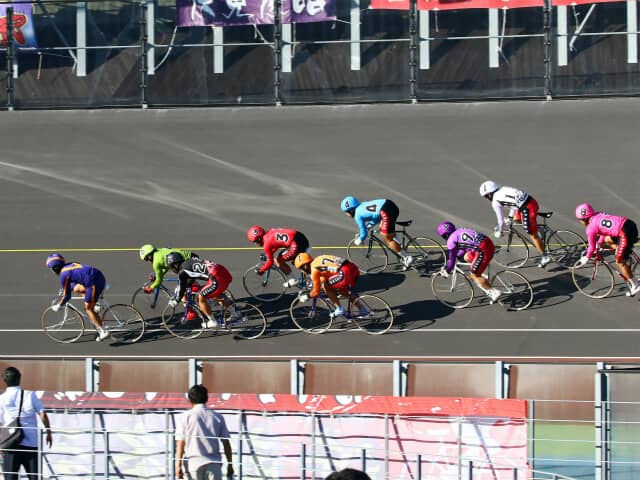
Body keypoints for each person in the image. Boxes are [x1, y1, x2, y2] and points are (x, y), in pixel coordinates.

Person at [479, 181, 551, 268]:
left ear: (490, 194)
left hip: (527, 208)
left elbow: (501, 222)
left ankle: (545, 257)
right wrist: (510, 217)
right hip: (530, 202)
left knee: (532, 234)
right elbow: (513, 204)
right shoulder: (503, 189)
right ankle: (536, 228)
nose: (487, 198)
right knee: (516, 219)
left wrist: (500, 232)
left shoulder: (495, 202)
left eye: (486, 196)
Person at [575, 203, 640, 296]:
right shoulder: (599, 214)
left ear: (583, 219)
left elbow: (591, 247)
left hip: (625, 233)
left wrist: (586, 257)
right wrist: (599, 243)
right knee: (607, 239)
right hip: (628, 224)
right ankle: (624, 253)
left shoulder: (590, 228)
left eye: (579, 219)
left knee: (619, 262)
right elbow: (604, 231)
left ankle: (635, 285)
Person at [0, 367, 52, 480]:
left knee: (10, 477)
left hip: (10, 444)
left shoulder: (1, 399)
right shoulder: (30, 395)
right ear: (19, 379)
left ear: (4, 380)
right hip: (31, 444)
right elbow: (43, 414)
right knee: (34, 477)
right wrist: (49, 432)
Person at [45, 253, 110, 342]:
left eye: (51, 269)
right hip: (97, 276)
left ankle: (103, 332)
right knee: (76, 288)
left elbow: (67, 296)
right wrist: (65, 288)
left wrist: (59, 305)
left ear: (55, 268)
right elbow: (74, 280)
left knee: (88, 309)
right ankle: (95, 303)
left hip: (94, 284)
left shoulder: (63, 275)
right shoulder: (70, 265)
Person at [175, 384, 233, 480]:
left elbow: (180, 443)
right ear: (206, 398)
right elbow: (226, 443)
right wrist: (230, 464)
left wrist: (178, 465)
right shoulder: (217, 417)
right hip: (214, 465)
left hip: (193, 464)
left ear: (190, 400)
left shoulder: (185, 417)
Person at [166, 252, 236, 328]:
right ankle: (235, 313)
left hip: (216, 277)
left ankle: (212, 321)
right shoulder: (189, 261)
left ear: (175, 265)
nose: (172, 269)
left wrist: (176, 300)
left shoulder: (182, 272)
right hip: (224, 272)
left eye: (171, 267)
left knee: (201, 298)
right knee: (216, 294)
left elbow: (182, 288)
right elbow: (192, 277)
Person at [340, 196, 413, 268]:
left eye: (346, 212)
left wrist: (360, 239)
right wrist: (369, 225)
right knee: (386, 230)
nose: (346, 215)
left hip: (385, 211)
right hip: (390, 205)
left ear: (351, 211)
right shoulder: (363, 205)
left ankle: (407, 257)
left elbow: (364, 233)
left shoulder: (357, 216)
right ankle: (399, 244)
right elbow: (376, 216)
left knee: (387, 239)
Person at [437, 221, 502, 302]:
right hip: (487, 242)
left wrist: (447, 271)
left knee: (474, 275)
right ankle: (481, 273)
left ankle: (494, 292)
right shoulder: (460, 230)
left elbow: (452, 260)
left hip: (483, 250)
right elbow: (463, 248)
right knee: (467, 256)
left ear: (445, 235)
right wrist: (457, 256)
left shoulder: (450, 240)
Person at [293, 253, 370, 318]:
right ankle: (362, 310)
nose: (302, 271)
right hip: (352, 268)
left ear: (304, 266)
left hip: (344, 272)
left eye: (301, 269)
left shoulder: (314, 270)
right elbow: (326, 274)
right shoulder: (318, 259)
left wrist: (307, 296)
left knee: (326, 286)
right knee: (343, 291)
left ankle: (339, 308)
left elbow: (316, 293)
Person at [247, 225, 311, 288]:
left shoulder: (266, 244)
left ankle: (295, 279)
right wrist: (270, 253)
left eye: (255, 242)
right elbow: (275, 244)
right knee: (292, 260)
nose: (255, 244)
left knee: (279, 260)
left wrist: (261, 271)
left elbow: (270, 262)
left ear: (259, 239)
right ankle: (308, 277)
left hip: (296, 244)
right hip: (299, 237)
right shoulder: (270, 232)